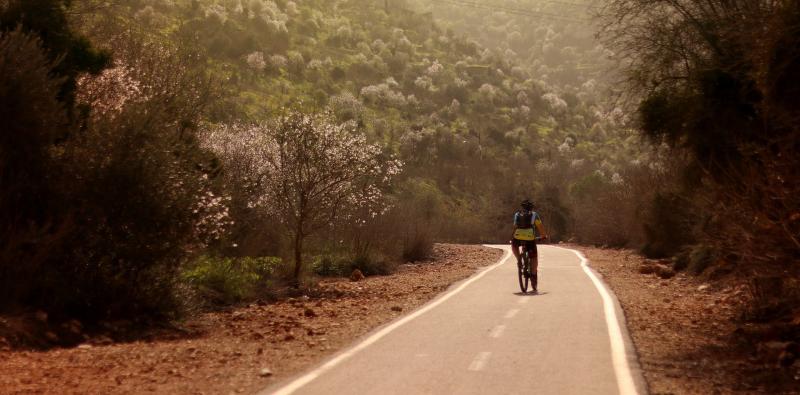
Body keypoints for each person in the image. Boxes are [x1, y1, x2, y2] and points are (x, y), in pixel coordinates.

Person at [510, 199, 549, 286]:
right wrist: (543, 236)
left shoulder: (517, 214)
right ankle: (533, 274)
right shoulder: (534, 215)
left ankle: (519, 260)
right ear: (532, 208)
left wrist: (512, 237)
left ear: (522, 207)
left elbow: (515, 226)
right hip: (530, 238)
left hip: (518, 236)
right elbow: (540, 226)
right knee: (534, 257)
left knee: (514, 246)